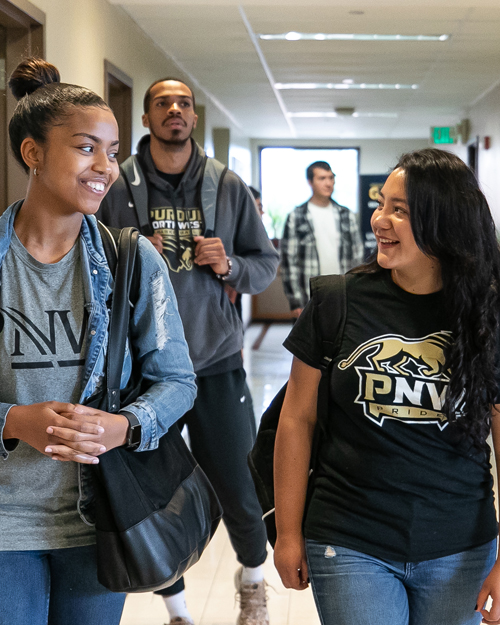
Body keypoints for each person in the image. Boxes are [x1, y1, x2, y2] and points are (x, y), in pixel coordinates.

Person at [0, 58, 196, 625]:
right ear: (33, 153)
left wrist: (125, 425)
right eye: (87, 148)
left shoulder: (133, 259)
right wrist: (14, 420)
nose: (105, 167)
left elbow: (178, 382)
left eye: (111, 152)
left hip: (100, 518)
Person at [273, 148, 500, 625]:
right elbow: (297, 419)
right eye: (382, 204)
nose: (380, 219)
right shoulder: (338, 300)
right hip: (349, 535)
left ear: (445, 224)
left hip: (458, 542)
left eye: (401, 210)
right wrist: (289, 532)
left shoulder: (486, 317)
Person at [97, 77, 279, 625]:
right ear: (148, 119)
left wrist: (229, 265)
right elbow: (83, 262)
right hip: (140, 372)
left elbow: (264, 264)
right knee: (152, 495)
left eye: (184, 104)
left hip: (215, 360)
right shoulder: (115, 183)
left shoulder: (227, 185)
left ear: (194, 118)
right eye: (163, 104)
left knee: (240, 485)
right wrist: (127, 259)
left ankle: (252, 583)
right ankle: (177, 610)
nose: (175, 110)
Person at [280, 161, 363, 318]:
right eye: (322, 178)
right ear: (310, 182)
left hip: (342, 295)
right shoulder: (296, 217)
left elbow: (357, 257)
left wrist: (355, 293)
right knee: (310, 342)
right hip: (309, 296)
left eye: (331, 178)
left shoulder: (346, 215)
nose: (328, 183)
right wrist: (295, 301)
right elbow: (288, 262)